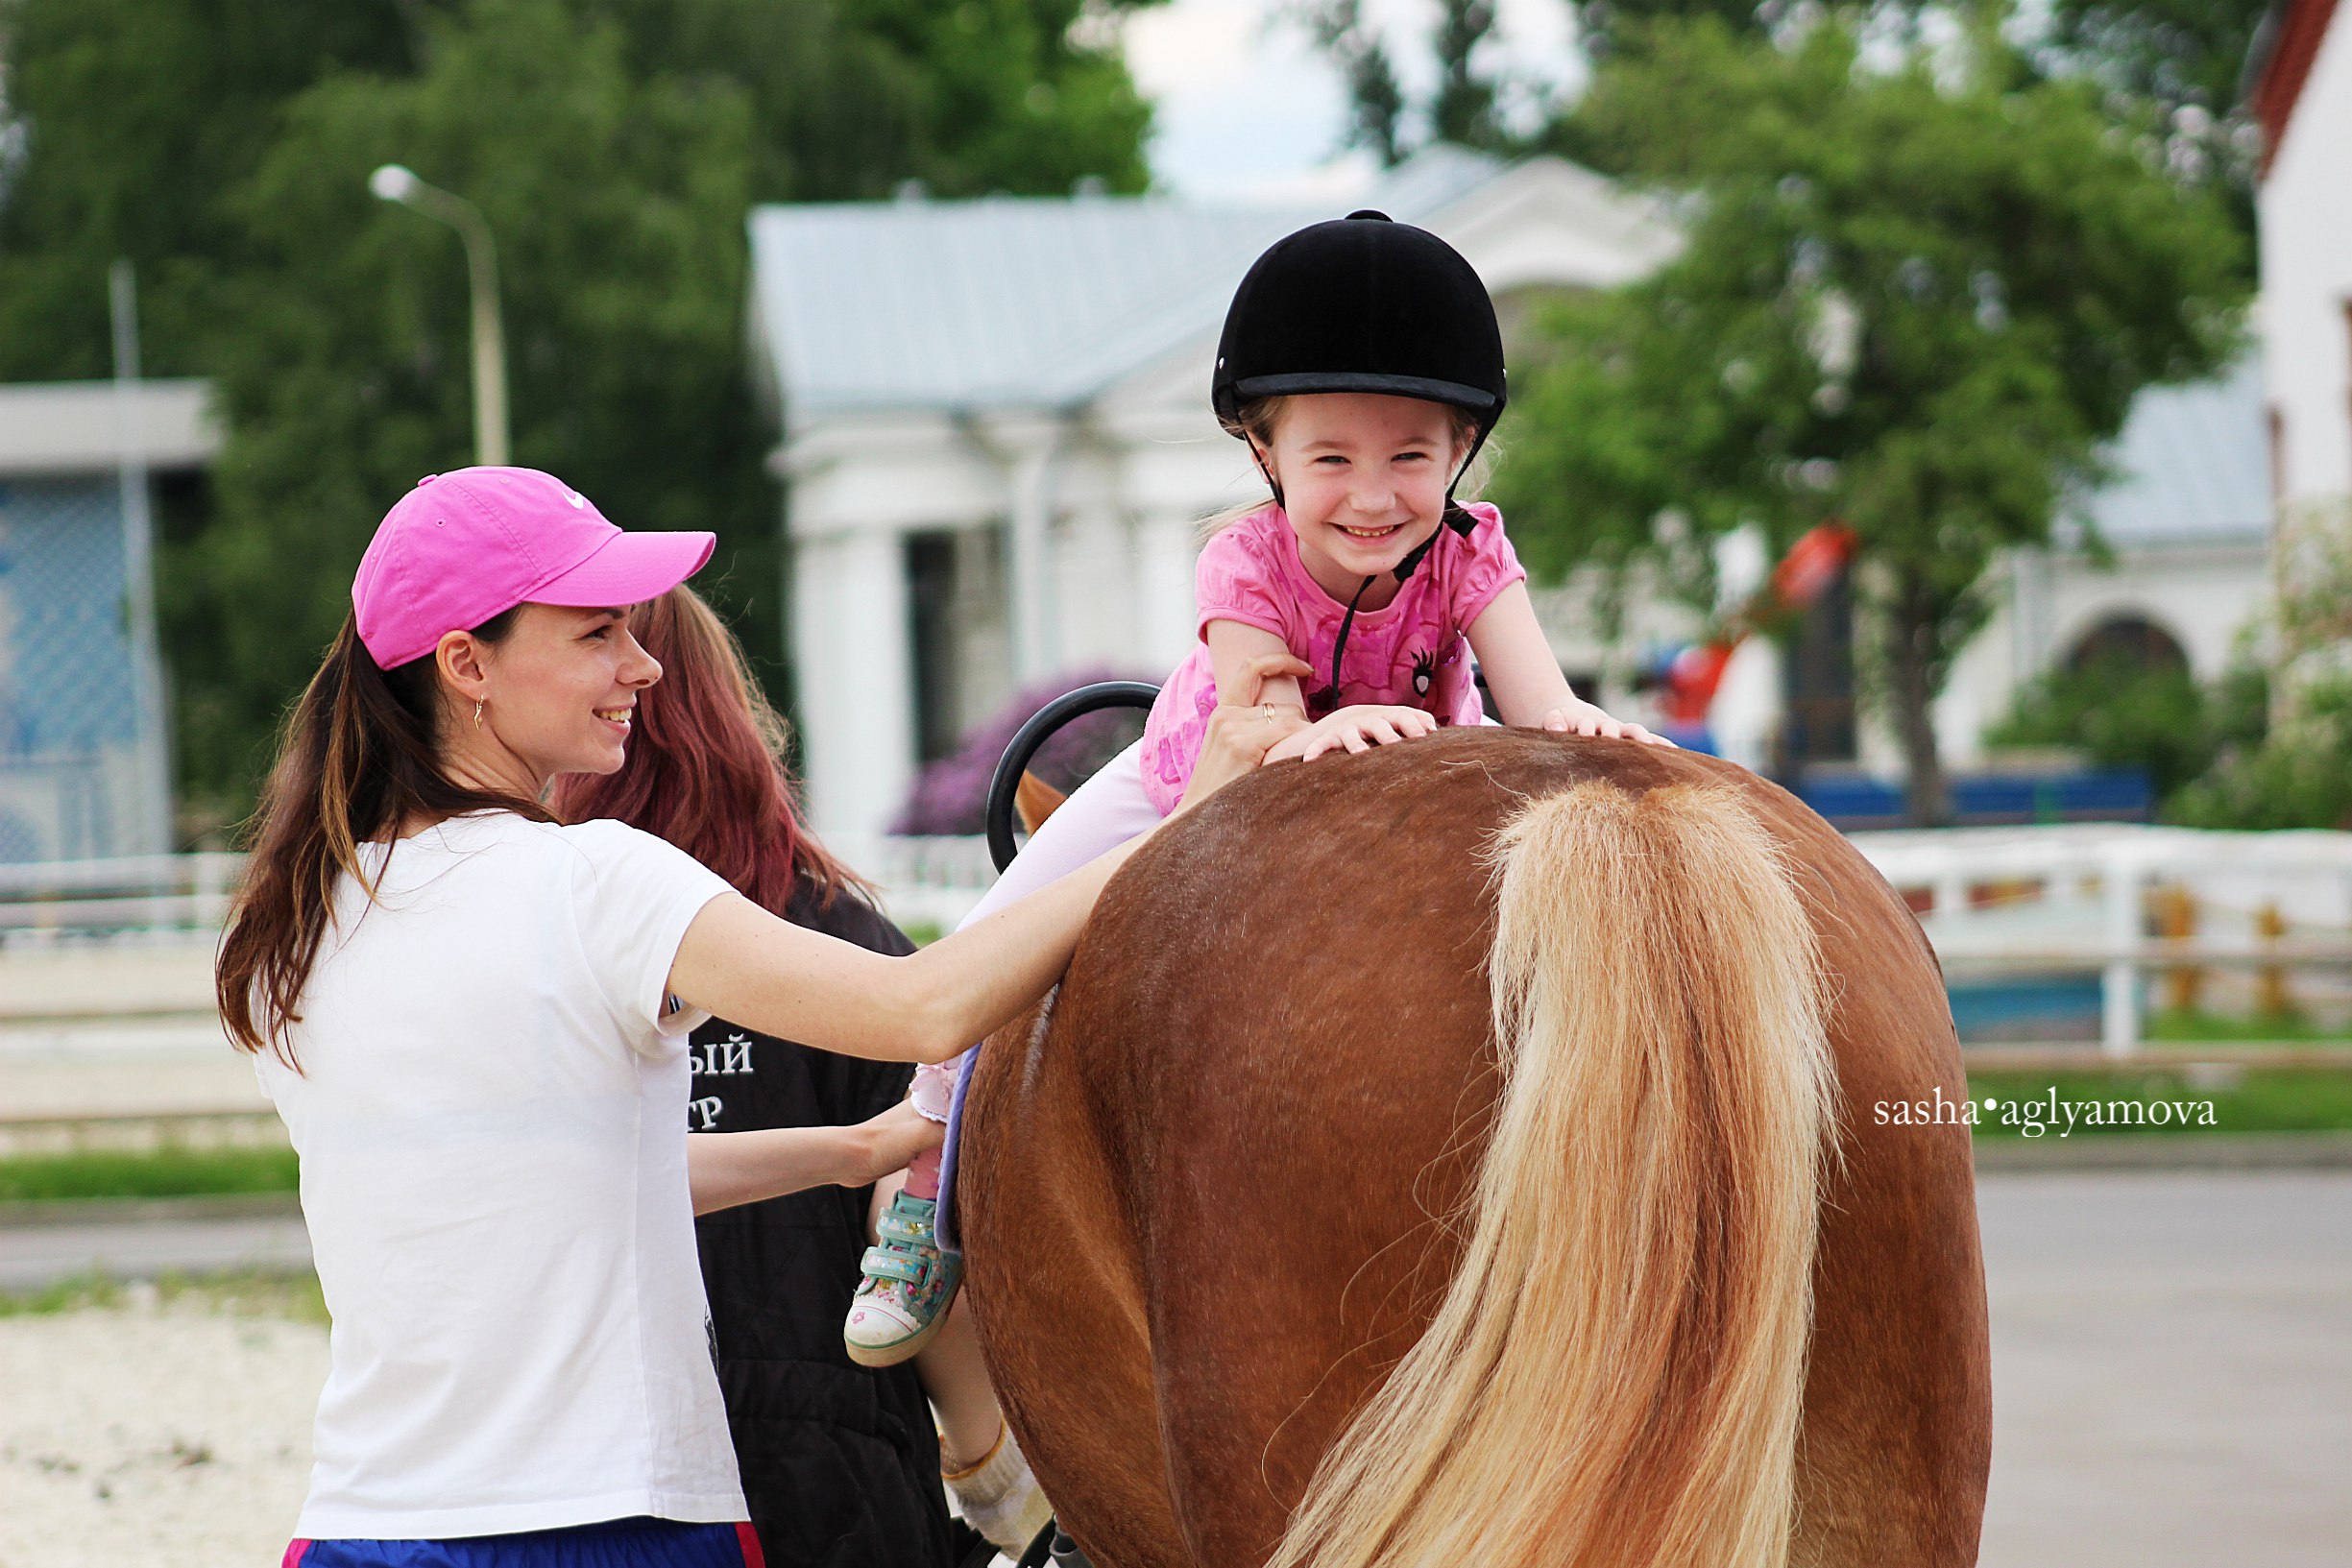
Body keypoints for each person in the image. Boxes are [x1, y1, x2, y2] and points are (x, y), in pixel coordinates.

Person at [216, 466, 1282, 1568]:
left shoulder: (290, 929)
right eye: (595, 635)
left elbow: (562, 1173)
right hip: (612, 1524)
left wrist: (858, 1150)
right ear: (464, 663)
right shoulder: (595, 882)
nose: (643, 666)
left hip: (364, 1524)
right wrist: (1185, 823)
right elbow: (927, 1005)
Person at [843, 210, 1676, 1366]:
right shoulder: (1239, 559)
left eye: (1410, 458)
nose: (1373, 495)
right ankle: (924, 1200)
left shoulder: (1474, 552)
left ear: (1459, 456)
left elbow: (1543, 705)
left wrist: (1611, 741)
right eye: (1331, 458)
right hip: (1202, 777)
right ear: (1264, 456)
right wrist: (1345, 720)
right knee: (980, 950)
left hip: (1425, 781)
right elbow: (1261, 722)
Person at [552, 587, 1038, 1564]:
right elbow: (912, 1222)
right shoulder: (838, 941)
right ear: (725, 719)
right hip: (831, 1459)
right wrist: (995, 1469)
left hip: (590, 1460)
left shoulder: (539, 935)